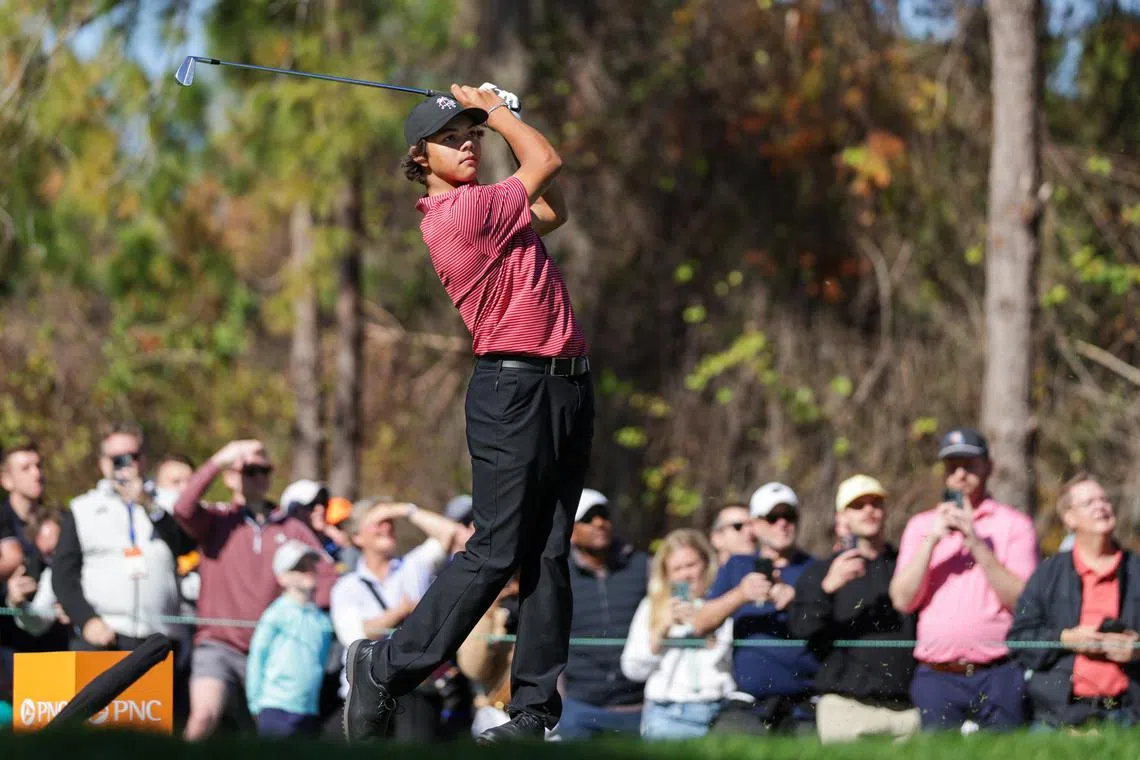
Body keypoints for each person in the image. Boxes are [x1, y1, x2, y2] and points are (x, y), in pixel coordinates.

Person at [342, 82, 593, 745]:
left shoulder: (493, 208)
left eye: (472, 135)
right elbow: (546, 161)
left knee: (549, 551)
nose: (468, 146)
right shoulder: (461, 213)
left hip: (565, 385)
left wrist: (506, 123)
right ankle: (385, 667)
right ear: (419, 158)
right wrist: (504, 114)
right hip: (513, 390)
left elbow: (553, 209)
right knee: (496, 548)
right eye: (451, 139)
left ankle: (532, 714)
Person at [173, 438, 338, 741]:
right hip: (218, 644)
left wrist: (304, 619)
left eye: (265, 470)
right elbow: (183, 509)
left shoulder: (291, 528)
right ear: (231, 477)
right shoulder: (217, 520)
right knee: (202, 718)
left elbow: (327, 578)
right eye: (250, 470)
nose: (259, 477)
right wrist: (219, 459)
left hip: (274, 650)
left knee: (269, 737)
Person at [889, 427, 1038, 731]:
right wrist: (932, 540)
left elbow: (1024, 602)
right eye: (952, 466)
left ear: (988, 468)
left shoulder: (1014, 525)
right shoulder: (921, 526)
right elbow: (902, 600)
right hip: (937, 677)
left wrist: (976, 543)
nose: (960, 475)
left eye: (969, 465)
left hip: (998, 675)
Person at [788, 475, 919, 743]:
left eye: (876, 503)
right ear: (842, 517)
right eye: (858, 505)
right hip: (845, 708)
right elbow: (801, 630)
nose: (869, 510)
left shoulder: (907, 567)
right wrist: (827, 589)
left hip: (905, 710)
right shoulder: (820, 572)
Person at [330, 498, 467, 742]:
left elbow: (454, 535)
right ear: (357, 537)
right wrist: (402, 612)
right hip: (363, 694)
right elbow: (354, 639)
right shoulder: (346, 586)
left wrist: (404, 510)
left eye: (390, 521)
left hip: (415, 690)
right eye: (377, 522)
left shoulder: (414, 565)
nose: (387, 527)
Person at [1008, 475, 1140, 728]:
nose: (1101, 506)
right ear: (1069, 518)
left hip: (1129, 714)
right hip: (1058, 717)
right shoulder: (1048, 574)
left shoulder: (1136, 569)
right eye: (1089, 502)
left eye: (1104, 500)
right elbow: (1019, 640)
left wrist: (1137, 649)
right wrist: (1065, 639)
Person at [692, 482, 818, 734]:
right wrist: (740, 594)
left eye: (789, 516)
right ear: (755, 524)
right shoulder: (737, 566)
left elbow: (835, 627)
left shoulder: (816, 568)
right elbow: (700, 624)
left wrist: (796, 602)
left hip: (806, 703)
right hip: (749, 702)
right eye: (772, 517)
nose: (782, 523)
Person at [53, 424, 187, 651]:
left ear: (143, 459)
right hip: (106, 636)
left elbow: (185, 546)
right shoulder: (83, 508)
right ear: (103, 463)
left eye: (133, 457)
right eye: (117, 459)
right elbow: (63, 574)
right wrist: (87, 620)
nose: (126, 465)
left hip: (159, 637)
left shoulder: (168, 502)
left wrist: (148, 504)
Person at [620, 529, 734, 739]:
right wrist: (662, 630)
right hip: (668, 713)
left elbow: (730, 661)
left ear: (706, 564)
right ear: (666, 575)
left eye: (691, 565)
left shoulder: (723, 603)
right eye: (677, 569)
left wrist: (704, 623)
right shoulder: (651, 606)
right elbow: (632, 669)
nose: (685, 575)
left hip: (720, 710)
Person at [557, 489, 649, 739]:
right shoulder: (558, 574)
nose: (600, 523)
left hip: (639, 707)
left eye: (604, 515)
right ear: (571, 529)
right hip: (579, 708)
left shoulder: (642, 566)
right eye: (588, 518)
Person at [246, 540, 335, 738]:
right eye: (299, 567)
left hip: (309, 710)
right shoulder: (275, 614)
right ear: (282, 577)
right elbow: (257, 657)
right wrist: (255, 704)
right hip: (274, 707)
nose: (308, 571)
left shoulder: (322, 621)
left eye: (311, 565)